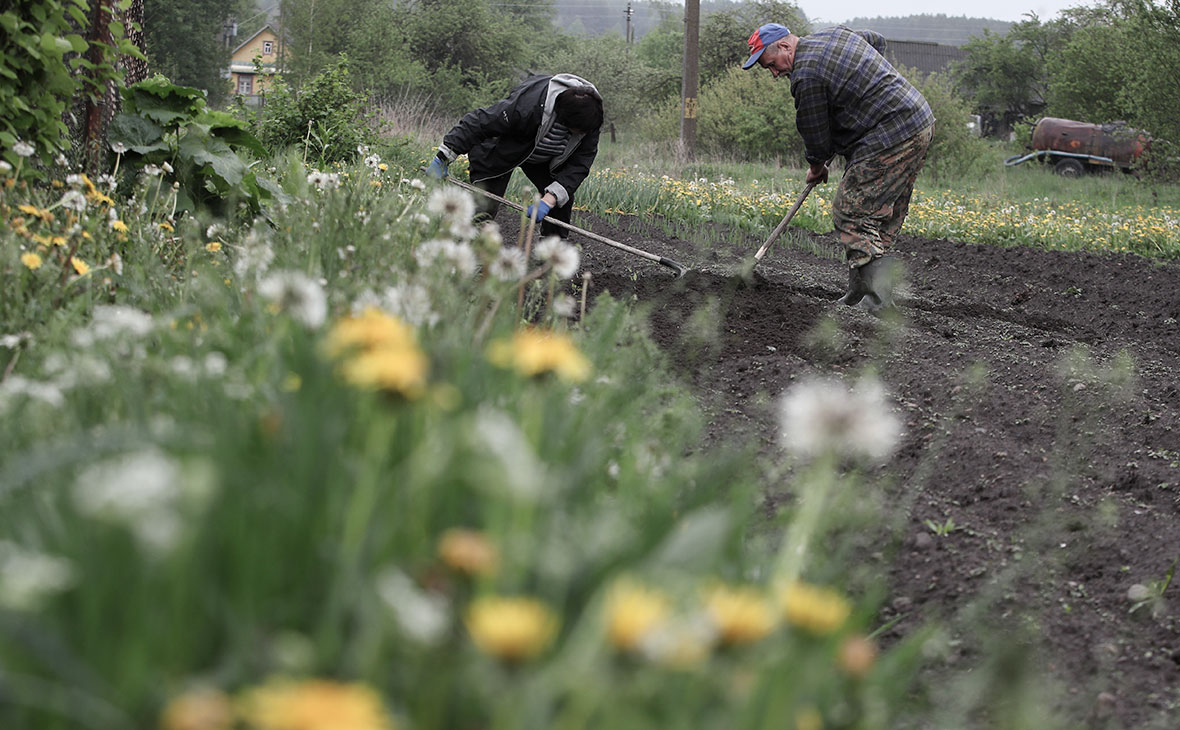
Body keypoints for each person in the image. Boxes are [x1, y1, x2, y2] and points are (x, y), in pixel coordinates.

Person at [744, 23, 935, 312]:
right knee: (874, 215)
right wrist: (867, 83)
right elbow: (876, 40)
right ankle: (860, 291)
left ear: (784, 46)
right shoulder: (832, 33)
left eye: (771, 65)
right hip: (918, 121)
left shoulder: (805, 76)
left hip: (890, 133)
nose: (774, 74)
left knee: (852, 211)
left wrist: (816, 166)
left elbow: (815, 132)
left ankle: (879, 302)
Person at [425, 74, 605, 240]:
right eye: (579, 131)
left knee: (560, 202)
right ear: (564, 120)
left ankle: (551, 261)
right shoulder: (527, 106)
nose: (583, 134)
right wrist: (444, 156)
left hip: (546, 159)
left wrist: (550, 199)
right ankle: (463, 249)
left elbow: (580, 164)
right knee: (485, 205)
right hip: (505, 148)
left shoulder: (591, 119)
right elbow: (480, 123)